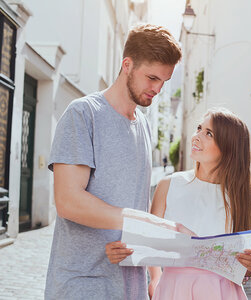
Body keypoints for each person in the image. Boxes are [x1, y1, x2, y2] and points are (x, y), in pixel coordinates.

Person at [45, 24, 182, 300]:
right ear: (127, 65)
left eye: (164, 81)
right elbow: (68, 201)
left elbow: (134, 205)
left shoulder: (143, 125)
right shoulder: (83, 114)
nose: (157, 89)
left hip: (130, 285)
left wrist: (154, 274)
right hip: (83, 284)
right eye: (152, 77)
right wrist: (145, 223)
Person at [106, 108, 251, 300]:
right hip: (173, 290)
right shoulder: (168, 185)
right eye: (199, 128)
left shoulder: (248, 199)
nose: (196, 136)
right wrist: (155, 279)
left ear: (229, 147)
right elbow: (148, 243)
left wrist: (250, 266)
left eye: (209, 133)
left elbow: (244, 270)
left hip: (223, 293)